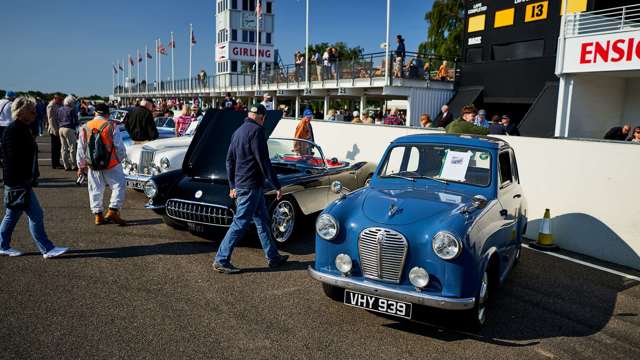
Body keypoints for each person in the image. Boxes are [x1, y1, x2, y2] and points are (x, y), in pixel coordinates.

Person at [213, 104, 289, 273]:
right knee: (240, 223)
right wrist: (277, 185)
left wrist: (232, 185)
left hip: (243, 184)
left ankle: (273, 257)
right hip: (251, 186)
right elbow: (264, 162)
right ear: (261, 117)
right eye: (264, 119)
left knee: (262, 221)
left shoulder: (238, 131)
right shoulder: (257, 132)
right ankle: (221, 259)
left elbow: (229, 160)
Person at [0, 96, 68, 258]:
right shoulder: (13, 130)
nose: (35, 114)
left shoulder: (23, 128)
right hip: (18, 182)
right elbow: (11, 159)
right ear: (22, 112)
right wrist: (22, 180)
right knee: (35, 215)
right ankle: (47, 248)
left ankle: (3, 245)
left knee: (12, 215)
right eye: (32, 111)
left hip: (20, 181)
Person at [77, 103, 127, 226]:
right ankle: (113, 210)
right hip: (112, 163)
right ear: (107, 114)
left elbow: (81, 149)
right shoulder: (111, 126)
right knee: (118, 185)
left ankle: (98, 215)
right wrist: (120, 158)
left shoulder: (85, 127)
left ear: (95, 113)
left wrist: (81, 166)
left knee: (95, 188)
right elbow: (119, 146)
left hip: (92, 164)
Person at [57, 96, 80, 171]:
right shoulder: (72, 110)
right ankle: (73, 165)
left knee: (63, 148)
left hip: (61, 128)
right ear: (71, 103)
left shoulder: (59, 109)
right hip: (69, 128)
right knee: (72, 148)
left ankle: (66, 165)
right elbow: (75, 121)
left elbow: (57, 119)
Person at [46, 95, 64, 169]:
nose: (61, 102)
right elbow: (50, 119)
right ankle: (54, 164)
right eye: (60, 100)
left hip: (58, 128)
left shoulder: (56, 105)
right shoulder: (51, 106)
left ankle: (57, 162)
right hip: (54, 129)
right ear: (55, 99)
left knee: (58, 147)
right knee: (55, 148)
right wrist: (55, 130)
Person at [0, 91, 17, 166]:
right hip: (7, 125)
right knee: (7, 145)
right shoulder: (11, 104)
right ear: (12, 97)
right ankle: (6, 159)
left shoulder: (0, 101)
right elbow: (14, 116)